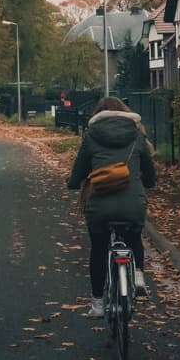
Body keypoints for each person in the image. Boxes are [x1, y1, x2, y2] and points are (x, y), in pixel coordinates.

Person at [67, 95, 156, 317]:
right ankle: (137, 276)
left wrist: (72, 183)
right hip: (132, 203)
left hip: (100, 207)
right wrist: (147, 182)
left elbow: (78, 172)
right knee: (134, 236)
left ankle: (98, 304)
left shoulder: (90, 137)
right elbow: (150, 173)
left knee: (98, 249)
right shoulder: (136, 135)